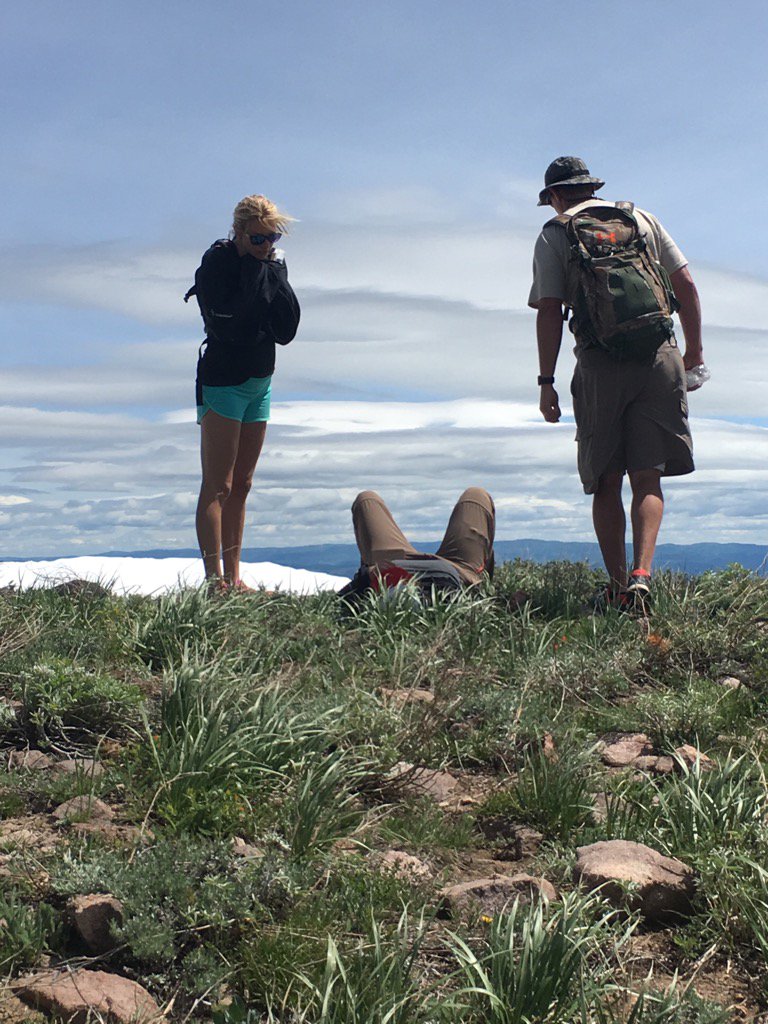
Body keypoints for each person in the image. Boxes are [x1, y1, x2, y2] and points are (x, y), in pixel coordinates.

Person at [529, 157, 703, 607]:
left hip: (599, 363)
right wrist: (694, 353)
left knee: (606, 479)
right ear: (591, 187)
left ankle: (618, 586)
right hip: (659, 356)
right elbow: (685, 283)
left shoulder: (555, 233)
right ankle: (643, 576)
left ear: (555, 196)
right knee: (649, 476)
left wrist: (546, 381)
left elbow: (550, 309)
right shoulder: (640, 218)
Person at [186, 194, 300, 593]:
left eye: (273, 238)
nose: (266, 245)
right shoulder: (218, 266)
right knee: (219, 484)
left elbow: (286, 329)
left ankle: (234, 578)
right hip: (223, 383)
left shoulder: (268, 264)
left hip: (259, 383)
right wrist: (256, 267)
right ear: (237, 232)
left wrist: (276, 272)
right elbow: (231, 321)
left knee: (243, 484)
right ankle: (214, 582)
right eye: (257, 239)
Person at [338, 488, 495, 601]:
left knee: (366, 498)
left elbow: (343, 599)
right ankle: (479, 582)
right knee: (476, 495)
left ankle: (376, 572)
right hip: (453, 571)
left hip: (393, 565)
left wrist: (365, 578)